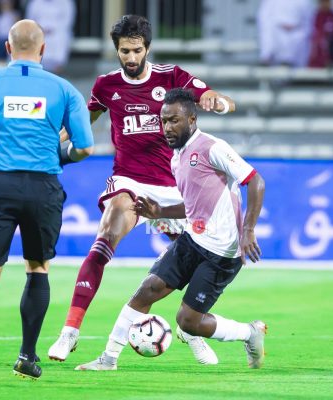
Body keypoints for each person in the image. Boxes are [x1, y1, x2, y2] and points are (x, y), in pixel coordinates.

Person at [48, 15, 236, 368]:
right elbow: (81, 124)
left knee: (195, 266)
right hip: (129, 181)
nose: (130, 58)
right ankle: (70, 331)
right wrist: (52, 143)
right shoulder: (106, 86)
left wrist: (217, 102)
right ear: (116, 50)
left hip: (175, 190)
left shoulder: (170, 77)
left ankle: (190, 331)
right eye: (124, 51)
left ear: (146, 49)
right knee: (104, 238)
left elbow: (209, 94)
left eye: (136, 51)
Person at [76, 88, 267, 371]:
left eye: (174, 121)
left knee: (188, 321)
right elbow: (192, 205)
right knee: (146, 290)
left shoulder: (212, 147)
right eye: (164, 121)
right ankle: (108, 359)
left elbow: (255, 181)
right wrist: (161, 212)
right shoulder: (177, 157)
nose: (167, 127)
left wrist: (248, 229)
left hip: (222, 252)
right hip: (193, 239)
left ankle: (249, 333)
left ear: (192, 120)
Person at [0, 19, 94, 384]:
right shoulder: (63, 89)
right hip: (44, 188)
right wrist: (59, 156)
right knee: (37, 268)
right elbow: (85, 146)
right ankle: (27, 357)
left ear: (8, 48)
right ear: (43, 50)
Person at [25, 0, 75, 74]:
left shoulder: (66, 2)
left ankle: (58, 67)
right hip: (39, 30)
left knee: (62, 36)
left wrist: (52, 29)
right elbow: (29, 20)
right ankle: (36, 66)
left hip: (58, 30)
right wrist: (41, 29)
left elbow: (68, 21)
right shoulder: (35, 3)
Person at [257, 0, 313, 67]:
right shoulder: (270, 2)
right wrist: (266, 52)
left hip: (299, 42)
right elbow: (265, 24)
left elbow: (309, 23)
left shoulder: (304, 2)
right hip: (277, 41)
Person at [308, 0, 333, 68]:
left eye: (327, 2)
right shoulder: (316, 16)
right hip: (318, 44)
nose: (325, 4)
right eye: (323, 2)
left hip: (332, 43)